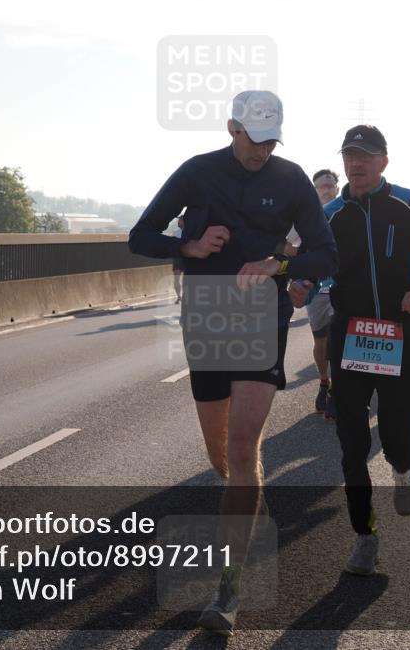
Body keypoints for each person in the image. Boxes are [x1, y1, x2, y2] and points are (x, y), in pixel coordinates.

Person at [129, 90, 337, 635]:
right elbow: (140, 235)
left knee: (245, 449)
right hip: (206, 318)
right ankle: (249, 510)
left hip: (260, 321)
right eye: (254, 140)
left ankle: (229, 589)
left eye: (272, 142)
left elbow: (326, 250)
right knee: (222, 456)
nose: (262, 152)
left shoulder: (291, 179)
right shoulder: (197, 173)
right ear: (232, 128)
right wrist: (190, 247)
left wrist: (279, 261)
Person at [291, 125, 410, 576]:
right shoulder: (329, 214)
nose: (356, 164)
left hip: (402, 340)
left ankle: (405, 469)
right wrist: (301, 285)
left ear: (384, 160)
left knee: (398, 440)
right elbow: (310, 268)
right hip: (351, 340)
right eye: (349, 156)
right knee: (351, 447)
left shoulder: (409, 203)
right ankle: (365, 537)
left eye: (365, 156)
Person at [291, 169, 341, 417]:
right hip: (318, 288)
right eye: (320, 186)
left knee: (342, 338)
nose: (326, 190)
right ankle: (324, 382)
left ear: (337, 189)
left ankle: (339, 390)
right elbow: (285, 244)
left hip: (344, 287)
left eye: (330, 185)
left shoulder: (348, 212)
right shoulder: (305, 218)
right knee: (321, 340)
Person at [171, 216, 184, 304]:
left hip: (188, 258)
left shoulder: (191, 232)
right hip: (177, 258)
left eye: (180, 220)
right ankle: (179, 296)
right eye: (178, 220)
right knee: (176, 279)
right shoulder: (175, 233)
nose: (178, 222)